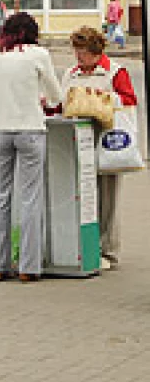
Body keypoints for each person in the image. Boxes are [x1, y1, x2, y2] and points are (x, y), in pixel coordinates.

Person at [0, 12, 63, 282]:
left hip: (0, 129)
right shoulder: (38, 54)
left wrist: (3, 102)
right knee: (30, 198)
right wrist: (39, 99)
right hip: (31, 129)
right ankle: (28, 266)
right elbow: (56, 95)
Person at [54, 26, 136, 270]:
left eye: (82, 52)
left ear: (95, 51)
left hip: (108, 139)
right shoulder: (71, 73)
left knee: (107, 197)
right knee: (84, 195)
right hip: (79, 140)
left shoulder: (114, 71)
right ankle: (85, 246)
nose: (78, 57)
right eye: (76, 52)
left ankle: (108, 250)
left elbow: (129, 100)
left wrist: (100, 98)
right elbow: (61, 103)